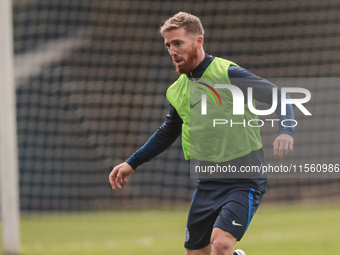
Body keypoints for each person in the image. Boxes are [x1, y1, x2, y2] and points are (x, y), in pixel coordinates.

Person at [109, 12, 294, 255]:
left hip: (244, 179)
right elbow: (167, 132)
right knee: (196, 253)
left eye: (178, 43)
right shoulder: (177, 90)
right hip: (208, 182)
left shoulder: (227, 73)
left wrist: (286, 131)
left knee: (221, 243)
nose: (172, 51)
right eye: (168, 45)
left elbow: (279, 95)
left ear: (198, 42)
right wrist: (132, 163)